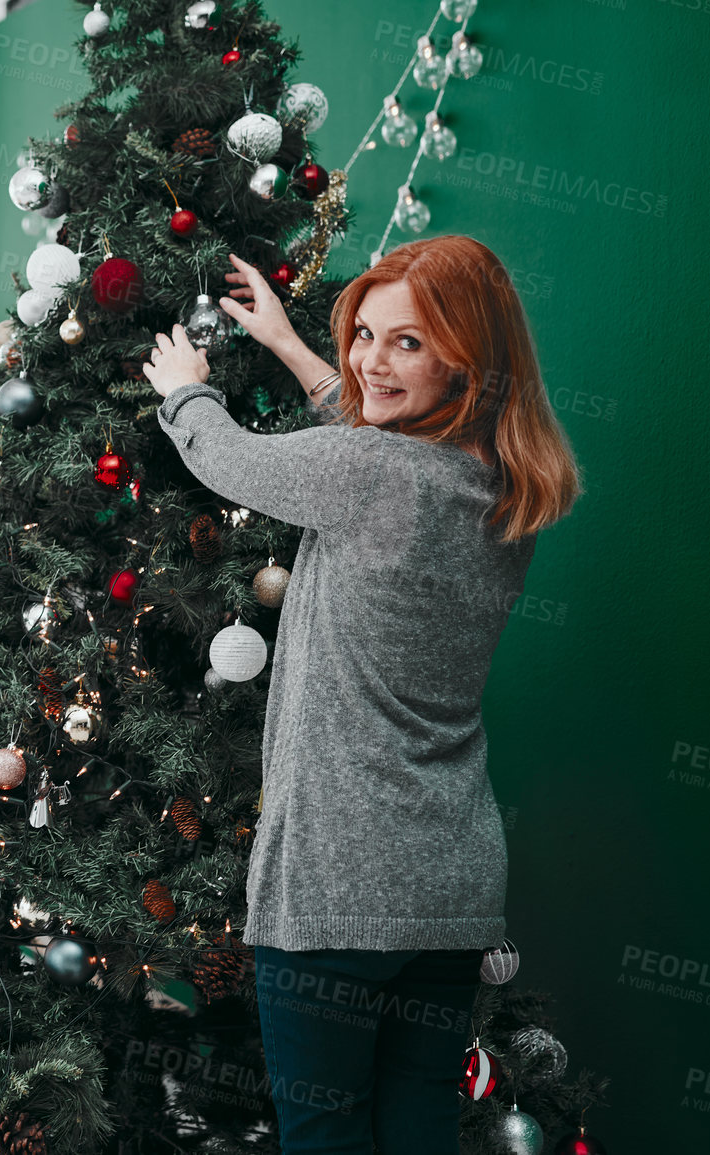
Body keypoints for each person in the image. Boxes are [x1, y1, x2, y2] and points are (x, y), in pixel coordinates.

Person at [143, 237, 580, 1155]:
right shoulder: (502, 483)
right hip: (450, 887)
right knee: (414, 1124)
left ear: (466, 357)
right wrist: (291, 346)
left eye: (407, 344)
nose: (371, 362)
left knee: (325, 1135)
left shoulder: (368, 474)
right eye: (365, 337)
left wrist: (183, 385)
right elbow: (372, 435)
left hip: (338, 882)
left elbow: (235, 461)